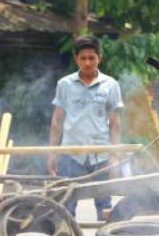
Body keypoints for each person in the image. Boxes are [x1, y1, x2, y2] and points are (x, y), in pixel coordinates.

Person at [48, 37, 123, 221]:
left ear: (100, 58)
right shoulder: (64, 84)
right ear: (76, 59)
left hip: (101, 154)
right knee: (66, 205)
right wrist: (52, 153)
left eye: (92, 58)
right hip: (71, 154)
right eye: (83, 58)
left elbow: (115, 123)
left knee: (105, 207)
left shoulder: (111, 85)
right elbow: (57, 121)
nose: (87, 62)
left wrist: (115, 155)